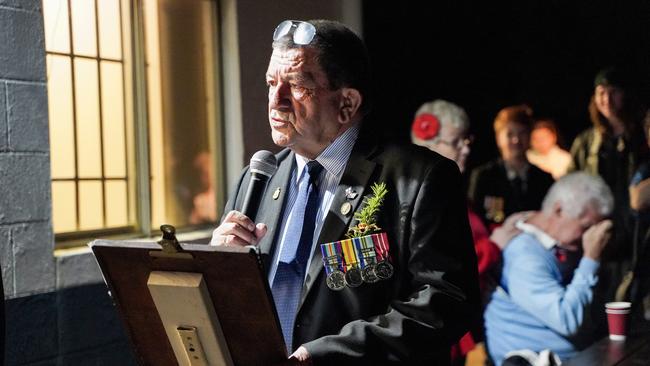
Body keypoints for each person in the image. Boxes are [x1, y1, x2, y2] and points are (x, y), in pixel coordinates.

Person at [210, 20, 480, 365]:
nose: (276, 101)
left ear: (347, 103)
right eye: (271, 83)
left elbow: (446, 300)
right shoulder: (257, 178)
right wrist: (217, 267)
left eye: (296, 86)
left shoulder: (418, 178)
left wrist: (324, 354)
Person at [484, 172, 614, 365]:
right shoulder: (523, 254)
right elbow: (567, 320)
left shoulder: (553, 240)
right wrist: (590, 258)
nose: (590, 237)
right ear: (559, 210)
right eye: (586, 227)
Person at [411, 99, 501, 364]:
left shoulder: (454, 190)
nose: (465, 149)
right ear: (428, 142)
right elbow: (447, 266)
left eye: (467, 141)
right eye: (456, 142)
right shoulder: (422, 195)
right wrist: (495, 243)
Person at [568, 67, 648, 336]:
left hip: (636, 237)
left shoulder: (642, 137)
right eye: (601, 92)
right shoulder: (586, 142)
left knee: (634, 310)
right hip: (600, 239)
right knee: (600, 315)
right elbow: (573, 187)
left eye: (613, 92)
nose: (606, 99)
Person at [468, 105, 554, 230]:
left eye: (522, 133)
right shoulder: (484, 176)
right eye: (509, 134)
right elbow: (475, 220)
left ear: (530, 136)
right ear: (498, 138)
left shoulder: (544, 179)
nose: (516, 140)